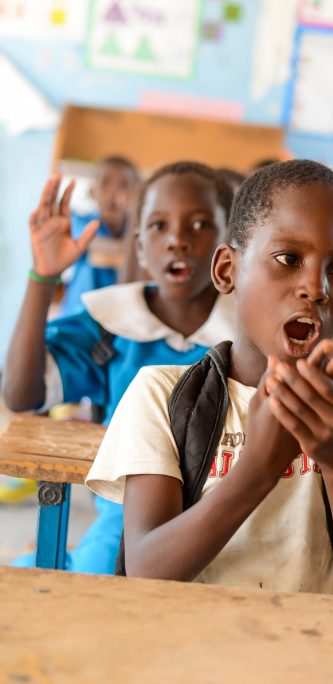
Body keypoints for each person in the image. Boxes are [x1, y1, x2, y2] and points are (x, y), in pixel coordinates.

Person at [85, 159, 333, 595]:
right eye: (288, 258)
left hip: (315, 651)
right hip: (189, 650)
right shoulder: (162, 395)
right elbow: (147, 568)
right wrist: (259, 466)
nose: (316, 288)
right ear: (228, 271)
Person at [3, 161, 237, 573]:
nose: (177, 240)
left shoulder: (249, 331)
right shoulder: (113, 324)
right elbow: (22, 394)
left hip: (232, 511)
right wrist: (43, 276)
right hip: (125, 514)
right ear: (140, 247)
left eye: (200, 225)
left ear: (229, 247)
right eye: (159, 226)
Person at [60, 156, 139, 316]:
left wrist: (135, 215)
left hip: (116, 320)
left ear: (135, 193)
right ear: (92, 191)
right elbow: (99, 245)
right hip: (76, 318)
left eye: (124, 185)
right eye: (105, 183)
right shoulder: (80, 222)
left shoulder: (137, 230)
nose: (114, 193)